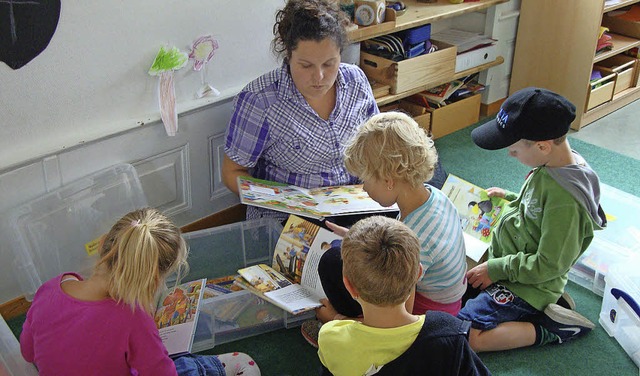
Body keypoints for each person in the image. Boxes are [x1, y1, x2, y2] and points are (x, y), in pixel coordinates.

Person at [20, 208, 261, 376]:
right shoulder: (133, 318)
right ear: (155, 279)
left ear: (103, 243)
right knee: (242, 363)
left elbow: (27, 352)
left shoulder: (50, 288)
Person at [457, 87, 607, 352]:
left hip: (528, 285)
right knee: (456, 282)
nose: (510, 155)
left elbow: (549, 264)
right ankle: (550, 304)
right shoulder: (552, 165)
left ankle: (549, 328)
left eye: (514, 151)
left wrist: (496, 269)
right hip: (514, 264)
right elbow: (537, 209)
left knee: (465, 335)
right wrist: (512, 197)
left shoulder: (566, 200)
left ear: (542, 146)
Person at [222, 0, 379, 223]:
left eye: (329, 64)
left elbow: (375, 142)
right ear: (288, 54)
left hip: (353, 203)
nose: (319, 78)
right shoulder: (260, 100)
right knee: (336, 257)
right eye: (306, 66)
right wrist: (285, 200)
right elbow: (232, 172)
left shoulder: (355, 80)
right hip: (292, 216)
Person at [315, 112, 468, 322]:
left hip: (428, 313)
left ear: (388, 181)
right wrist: (356, 236)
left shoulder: (416, 239)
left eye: (365, 179)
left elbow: (399, 322)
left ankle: (356, 325)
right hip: (448, 299)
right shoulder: (435, 197)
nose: (363, 187)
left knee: (333, 263)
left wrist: (336, 319)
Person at [317, 216, 490, 376]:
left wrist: (337, 319)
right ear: (418, 274)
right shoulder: (448, 331)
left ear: (349, 286)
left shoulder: (330, 338)